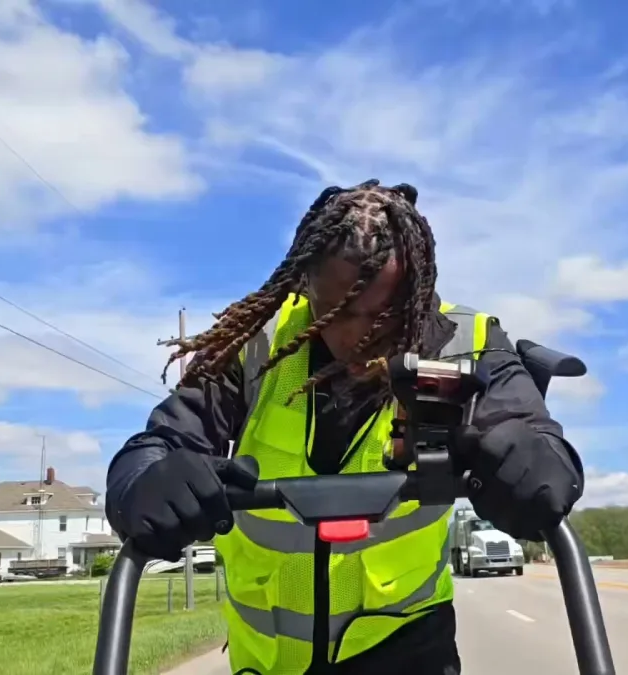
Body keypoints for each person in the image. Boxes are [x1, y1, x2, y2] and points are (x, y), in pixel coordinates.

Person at [105, 180, 584, 675]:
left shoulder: (467, 342)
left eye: (384, 317)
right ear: (305, 286)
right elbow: (158, 444)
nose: (359, 340)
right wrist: (144, 482)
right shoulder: (255, 345)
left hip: (407, 649)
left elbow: (531, 433)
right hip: (267, 661)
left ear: (419, 290)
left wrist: (534, 466)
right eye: (338, 314)